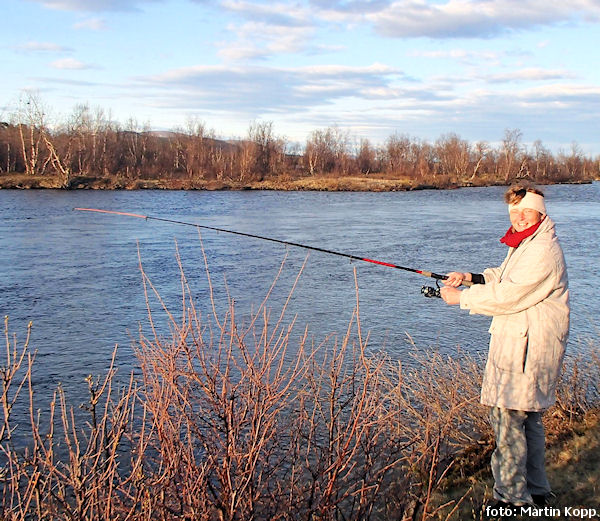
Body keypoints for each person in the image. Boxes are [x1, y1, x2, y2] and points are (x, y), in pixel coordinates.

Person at [440, 183, 570, 511]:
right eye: (515, 212)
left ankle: (511, 499)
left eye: (527, 211)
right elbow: (504, 278)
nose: (521, 217)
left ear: (541, 211)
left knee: (509, 420)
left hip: (526, 350)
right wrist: (469, 277)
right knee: (528, 420)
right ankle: (537, 492)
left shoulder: (541, 250)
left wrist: (461, 298)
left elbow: (509, 295)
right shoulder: (529, 241)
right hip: (526, 344)